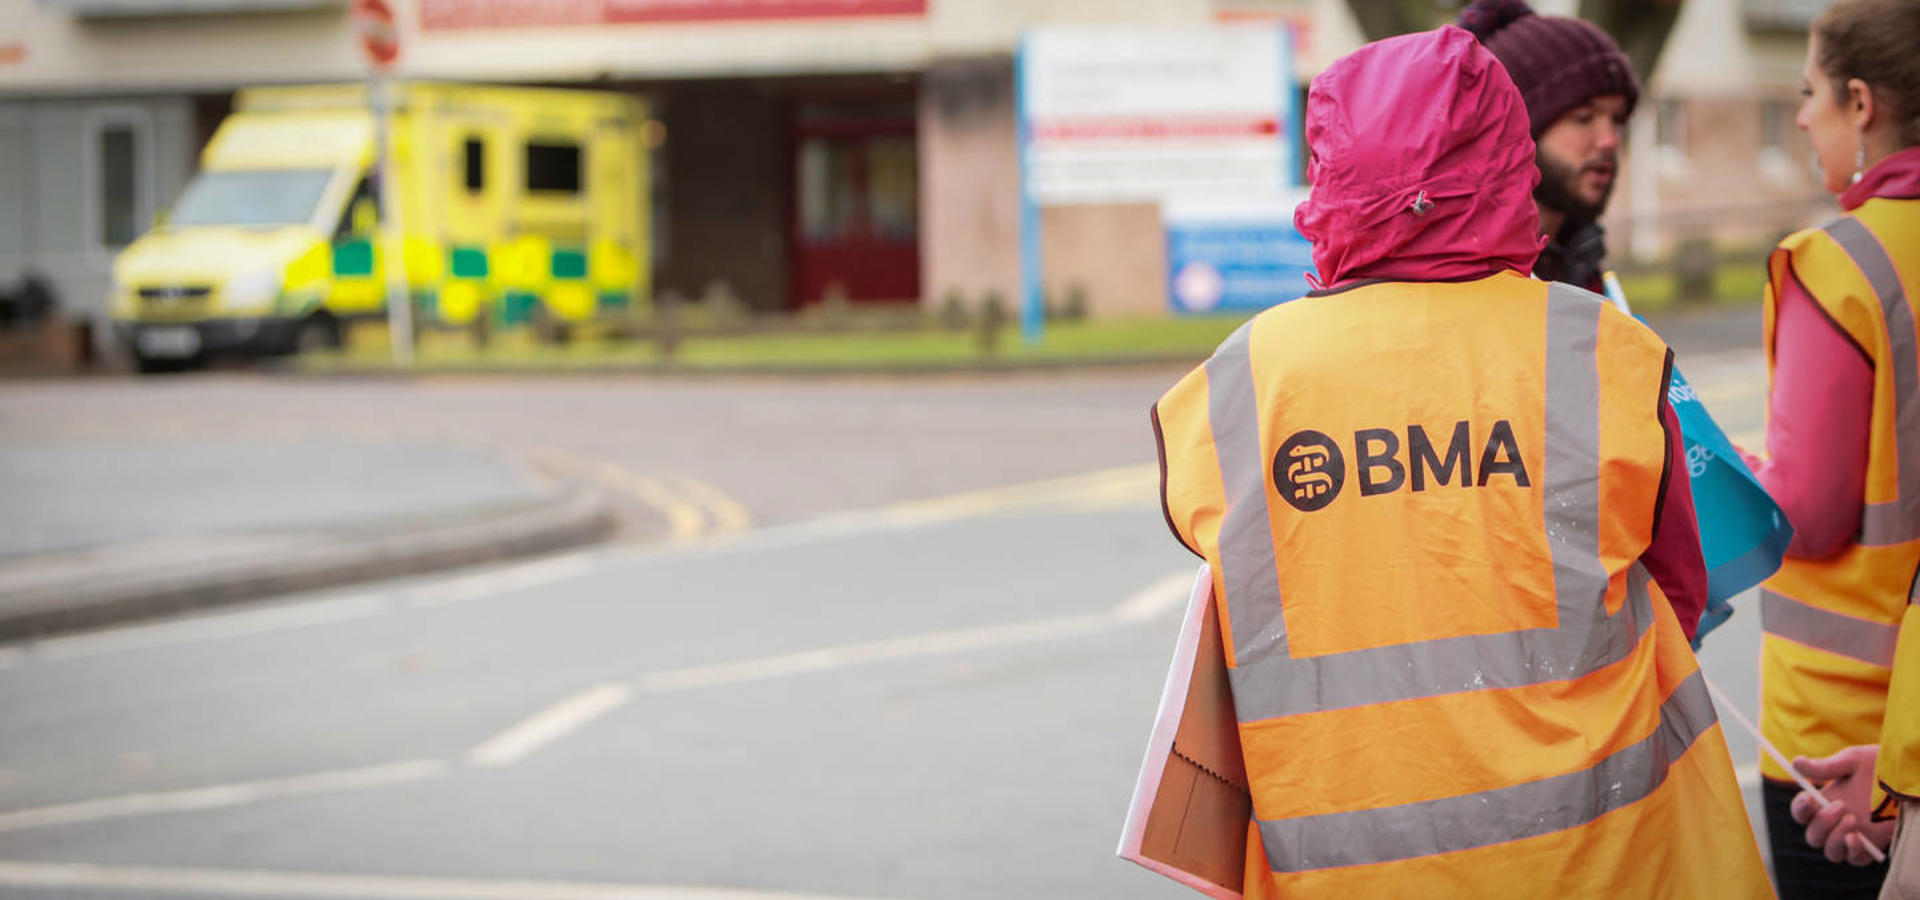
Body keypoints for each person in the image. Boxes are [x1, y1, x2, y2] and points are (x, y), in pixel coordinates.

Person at [1149, 25, 1770, 899]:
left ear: (1329, 173)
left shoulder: (1240, 381)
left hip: (1347, 870)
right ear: (1507, 163)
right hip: (1604, 859)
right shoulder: (1603, 350)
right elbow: (1678, 590)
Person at [1740, 1, 1920, 897]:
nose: (1802, 117)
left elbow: (1807, 514)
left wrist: (1725, 469)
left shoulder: (1839, 263)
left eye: (1809, 93)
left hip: (1844, 734)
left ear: (1861, 102)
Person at [1458, 0, 1637, 292]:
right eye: (1584, 118)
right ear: (1513, 130)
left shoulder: (1583, 263)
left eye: (1617, 119)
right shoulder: (1466, 281)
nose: (1609, 140)